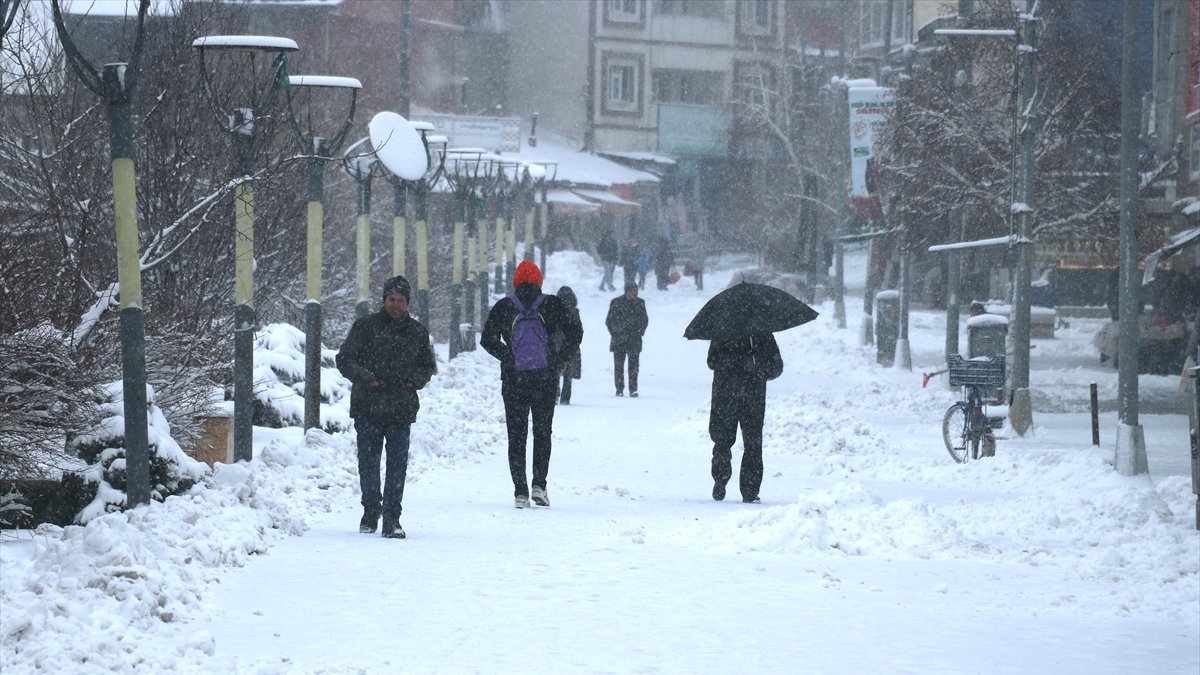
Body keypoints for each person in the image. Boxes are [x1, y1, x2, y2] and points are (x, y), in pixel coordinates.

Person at [336, 275, 437, 539]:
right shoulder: (365, 327)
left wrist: (413, 381)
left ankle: (392, 517)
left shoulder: (417, 332)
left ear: (408, 303)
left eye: (400, 300)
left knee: (397, 465)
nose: (395, 304)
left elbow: (427, 366)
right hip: (367, 407)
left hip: (401, 410)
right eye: (391, 299)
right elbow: (344, 359)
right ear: (383, 301)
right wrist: (366, 377)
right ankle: (371, 509)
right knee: (368, 463)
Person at [481, 260, 582, 508]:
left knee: (517, 436)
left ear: (515, 282)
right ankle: (539, 485)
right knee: (542, 432)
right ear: (539, 281)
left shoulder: (505, 306)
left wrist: (508, 356)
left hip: (514, 380)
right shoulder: (552, 304)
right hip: (544, 379)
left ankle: (520, 492)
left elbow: (487, 339)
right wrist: (559, 357)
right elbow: (576, 332)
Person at [707, 332, 783, 504]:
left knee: (722, 440)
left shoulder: (722, 330)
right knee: (753, 443)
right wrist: (759, 370)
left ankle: (720, 480)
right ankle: (749, 490)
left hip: (724, 393)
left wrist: (727, 364)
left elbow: (711, 362)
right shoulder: (762, 333)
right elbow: (776, 366)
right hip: (753, 394)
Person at [605, 282, 649, 397]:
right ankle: (619, 389)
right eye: (633, 291)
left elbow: (644, 320)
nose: (635, 294)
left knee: (634, 366)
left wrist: (639, 332)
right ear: (627, 291)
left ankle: (633, 389)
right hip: (619, 339)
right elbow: (609, 321)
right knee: (619, 366)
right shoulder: (616, 303)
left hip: (634, 339)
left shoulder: (640, 303)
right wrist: (615, 333)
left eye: (636, 291)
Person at [555, 285, 584, 405]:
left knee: (554, 372)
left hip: (557, 344)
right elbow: (579, 329)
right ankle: (565, 398)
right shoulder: (574, 311)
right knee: (568, 375)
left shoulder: (554, 310)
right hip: (571, 345)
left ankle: (555, 394)